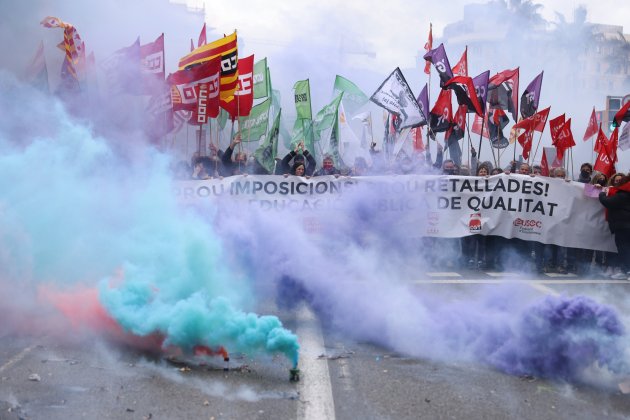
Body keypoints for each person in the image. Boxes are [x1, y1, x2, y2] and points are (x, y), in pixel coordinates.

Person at [598, 175, 630, 280]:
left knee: (624, 248)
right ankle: (625, 270)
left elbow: (609, 202)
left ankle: (628, 270)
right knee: (624, 248)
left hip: (623, 225)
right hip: (624, 224)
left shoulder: (624, 193)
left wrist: (602, 194)